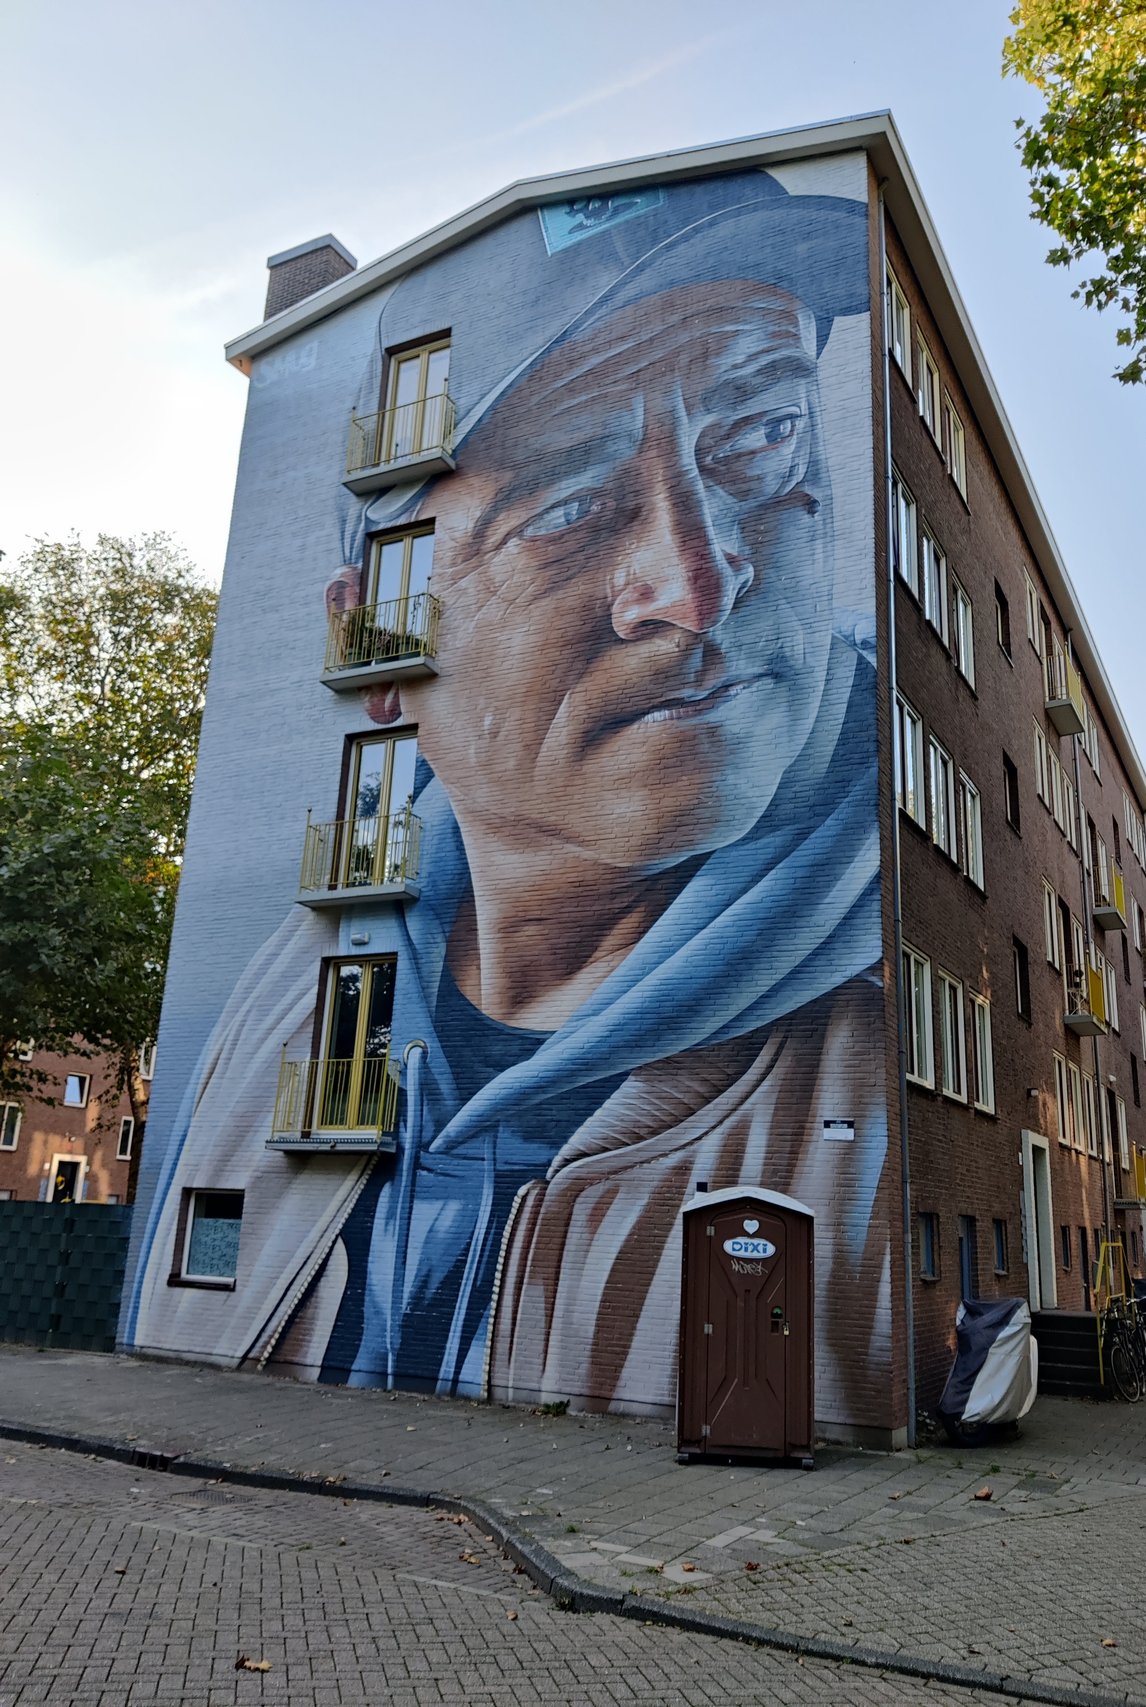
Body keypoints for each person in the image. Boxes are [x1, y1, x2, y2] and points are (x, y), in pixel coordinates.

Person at [126, 168, 891, 1425]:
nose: (695, 587)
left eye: (760, 436)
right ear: (380, 645)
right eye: (570, 508)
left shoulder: (884, 1024)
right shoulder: (296, 999)